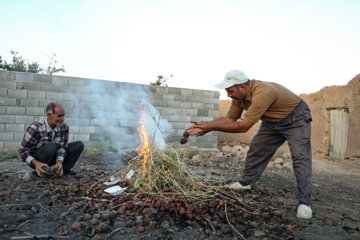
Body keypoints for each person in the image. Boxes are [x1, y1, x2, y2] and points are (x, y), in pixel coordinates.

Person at [187, 69, 313, 219]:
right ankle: (246, 182)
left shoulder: (263, 93)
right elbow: (230, 119)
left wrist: (210, 127)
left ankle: (304, 202)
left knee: (300, 157)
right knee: (257, 148)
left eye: (230, 90)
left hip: (295, 118)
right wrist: (206, 124)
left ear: (243, 87)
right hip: (273, 121)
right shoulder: (238, 98)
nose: (228, 94)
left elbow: (243, 126)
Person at [19, 103, 84, 178]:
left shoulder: (64, 126)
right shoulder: (35, 128)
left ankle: (62, 170)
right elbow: (22, 151)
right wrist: (36, 163)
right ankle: (42, 170)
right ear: (49, 115)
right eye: (59, 116)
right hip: (37, 160)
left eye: (63, 115)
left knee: (79, 145)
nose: (63, 118)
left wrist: (59, 162)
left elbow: (63, 147)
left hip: (54, 156)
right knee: (51, 146)